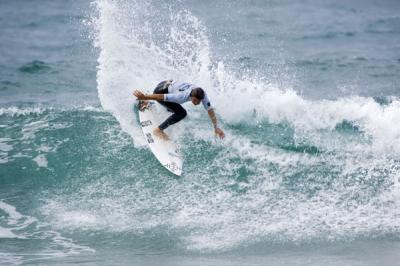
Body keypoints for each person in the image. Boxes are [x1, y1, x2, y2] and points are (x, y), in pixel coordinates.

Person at [133, 80, 225, 140]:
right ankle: (158, 130)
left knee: (173, 109)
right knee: (181, 113)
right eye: (195, 100)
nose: (197, 103)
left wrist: (216, 127)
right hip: (160, 91)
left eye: (199, 101)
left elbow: (210, 111)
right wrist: (145, 96)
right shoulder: (181, 97)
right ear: (191, 96)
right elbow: (161, 96)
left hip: (167, 83)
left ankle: (148, 103)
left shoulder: (203, 96)